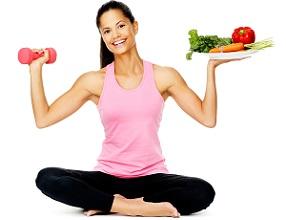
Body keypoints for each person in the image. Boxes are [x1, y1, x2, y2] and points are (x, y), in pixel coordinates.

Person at [31, 0, 241, 218]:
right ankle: (135, 207)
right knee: (47, 177)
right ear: (102, 36)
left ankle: (108, 204)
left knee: (202, 191)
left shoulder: (163, 76)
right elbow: (43, 119)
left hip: (151, 179)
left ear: (135, 26)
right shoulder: (94, 81)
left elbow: (207, 118)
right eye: (107, 30)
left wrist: (211, 68)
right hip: (107, 179)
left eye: (121, 26)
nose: (115, 35)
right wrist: (35, 69)